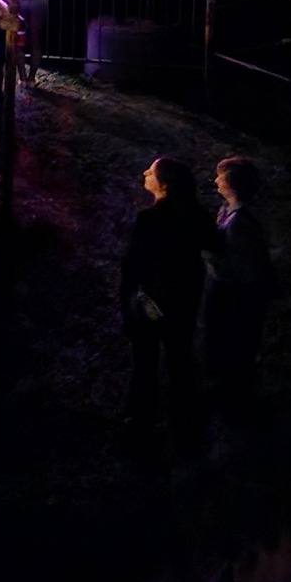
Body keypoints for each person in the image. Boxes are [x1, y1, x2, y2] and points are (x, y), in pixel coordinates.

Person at [119, 156, 218, 435]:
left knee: (145, 361)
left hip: (150, 299)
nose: (144, 172)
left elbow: (134, 264)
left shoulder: (149, 219)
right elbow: (215, 244)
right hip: (184, 296)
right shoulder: (196, 215)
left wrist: (129, 300)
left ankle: (141, 420)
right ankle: (185, 419)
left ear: (163, 185)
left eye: (151, 171)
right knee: (180, 356)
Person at [201, 155, 275, 416]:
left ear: (232, 183)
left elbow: (241, 268)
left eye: (220, 177)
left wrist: (207, 253)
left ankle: (231, 400)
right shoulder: (227, 212)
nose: (215, 180)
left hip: (234, 295)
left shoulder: (240, 224)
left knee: (230, 344)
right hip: (225, 290)